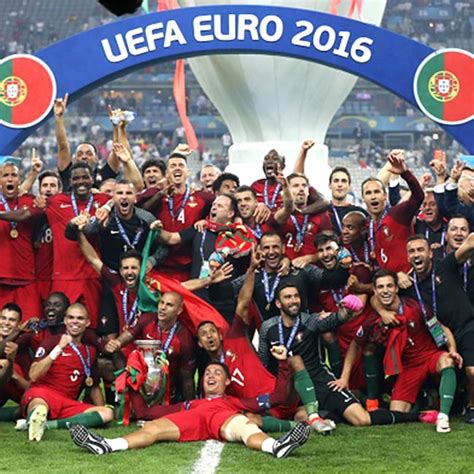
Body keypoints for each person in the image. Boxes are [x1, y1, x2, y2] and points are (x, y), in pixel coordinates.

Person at [199, 248, 335, 434]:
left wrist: (252, 269)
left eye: (212, 332)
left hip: (281, 392)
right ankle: (303, 425)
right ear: (199, 343)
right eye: (204, 335)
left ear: (221, 334)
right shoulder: (213, 372)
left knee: (294, 359)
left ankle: (314, 416)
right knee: (251, 420)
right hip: (263, 408)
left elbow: (243, 302)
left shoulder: (235, 339)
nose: (209, 336)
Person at [259, 284, 435, 427]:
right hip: (294, 390)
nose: (293, 301)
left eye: (296, 296)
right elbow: (263, 364)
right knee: (299, 417)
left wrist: (347, 311)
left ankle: (415, 417)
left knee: (362, 420)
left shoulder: (310, 321)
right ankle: (331, 415)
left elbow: (336, 319)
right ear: (278, 303)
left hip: (322, 382)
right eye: (288, 297)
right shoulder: (268, 328)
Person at [70, 360, 310, 459]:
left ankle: (275, 447)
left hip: (224, 416)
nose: (211, 375)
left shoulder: (235, 401)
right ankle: (107, 445)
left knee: (244, 425)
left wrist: (282, 364)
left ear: (227, 382)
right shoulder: (189, 403)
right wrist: (132, 385)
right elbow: (145, 413)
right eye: (207, 373)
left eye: (217, 373)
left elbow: (278, 397)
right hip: (192, 418)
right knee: (153, 427)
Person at [335, 270, 459, 432]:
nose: (385, 291)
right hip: (408, 367)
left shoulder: (415, 307)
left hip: (430, 356)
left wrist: (452, 349)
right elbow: (355, 345)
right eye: (380, 287)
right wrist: (344, 377)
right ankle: (424, 404)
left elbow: (440, 328)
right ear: (374, 290)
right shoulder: (373, 319)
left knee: (447, 360)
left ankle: (443, 417)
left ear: (396, 289)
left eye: (389, 286)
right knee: (397, 412)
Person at [402, 235, 474, 423]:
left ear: (430, 253)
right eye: (412, 251)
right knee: (441, 370)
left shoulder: (444, 266)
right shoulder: (408, 284)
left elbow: (471, 242)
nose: (416, 255)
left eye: (420, 250)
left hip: (465, 326)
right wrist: (397, 275)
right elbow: (378, 293)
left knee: (472, 372)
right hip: (437, 337)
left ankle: (472, 406)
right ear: (407, 257)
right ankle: (447, 399)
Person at [22, 303, 114, 442]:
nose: (75, 321)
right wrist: (58, 349)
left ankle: (46, 425)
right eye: (70, 317)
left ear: (87, 322)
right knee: (39, 407)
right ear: (65, 320)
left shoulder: (90, 351)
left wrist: (99, 413)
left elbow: (93, 386)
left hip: (68, 403)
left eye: (80, 318)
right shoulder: (51, 342)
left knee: (107, 413)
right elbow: (33, 375)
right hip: (43, 394)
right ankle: (36, 418)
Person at [231, 231, 349, 325]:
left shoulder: (301, 268)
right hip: (270, 342)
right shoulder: (252, 276)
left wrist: (344, 262)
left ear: (283, 248)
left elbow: (335, 279)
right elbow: (225, 292)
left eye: (275, 247)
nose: (271, 252)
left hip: (303, 341)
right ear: (260, 250)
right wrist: (213, 279)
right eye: (266, 248)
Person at [361, 150, 424, 273]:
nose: (373, 197)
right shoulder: (366, 224)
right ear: (363, 199)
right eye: (368, 193)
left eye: (377, 192)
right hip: (382, 283)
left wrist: (405, 174)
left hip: (406, 280)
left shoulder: (397, 214)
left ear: (385, 196)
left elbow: (418, 197)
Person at [0, 162, 42, 319]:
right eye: (5, 175)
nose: (10, 179)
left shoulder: (31, 200)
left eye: (14, 175)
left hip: (25, 277)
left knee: (31, 326)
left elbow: (22, 215)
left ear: (19, 180)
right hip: (1, 276)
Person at [273, 173, 332, 261]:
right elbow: (288, 206)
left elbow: (330, 246)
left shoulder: (322, 215)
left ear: (308, 191)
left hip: (313, 268)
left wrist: (310, 258)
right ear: (287, 191)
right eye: (296, 186)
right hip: (286, 268)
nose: (301, 189)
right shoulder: (280, 212)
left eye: (304, 186)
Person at [33, 170, 62, 304]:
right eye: (45, 186)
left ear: (59, 189)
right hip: (37, 279)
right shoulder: (32, 211)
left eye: (52, 185)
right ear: (39, 190)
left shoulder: (66, 211)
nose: (48, 189)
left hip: (61, 278)